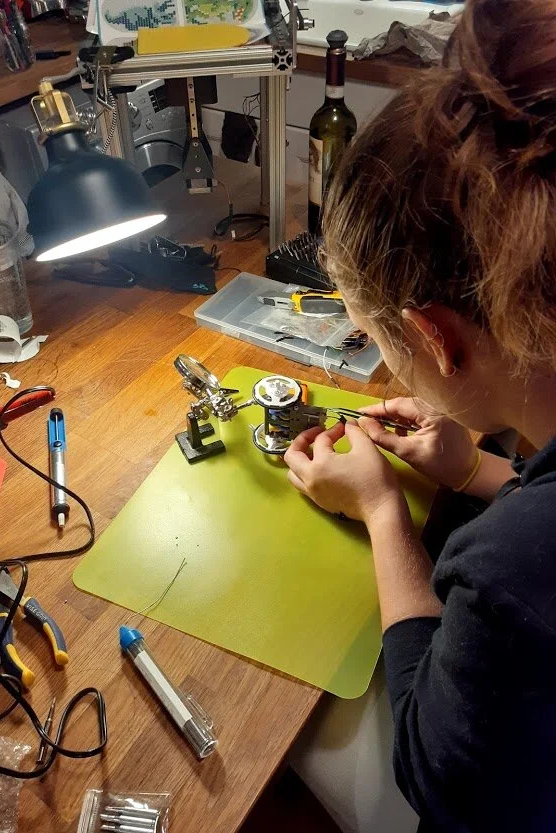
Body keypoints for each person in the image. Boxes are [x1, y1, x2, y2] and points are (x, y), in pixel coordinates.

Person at [283, 1, 556, 831]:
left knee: (302, 730)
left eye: (374, 338)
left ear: (432, 337)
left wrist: (380, 509)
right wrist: (479, 470)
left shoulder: (510, 566)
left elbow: (438, 775)